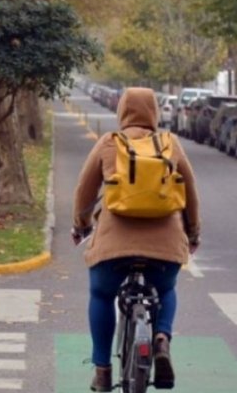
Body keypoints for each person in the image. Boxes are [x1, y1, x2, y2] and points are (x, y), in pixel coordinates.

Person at [71, 87, 200, 392]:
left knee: (102, 295)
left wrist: (81, 225)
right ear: (154, 112)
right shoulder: (171, 145)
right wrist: (192, 232)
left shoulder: (109, 143)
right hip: (165, 245)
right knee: (166, 289)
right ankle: (161, 338)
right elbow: (190, 193)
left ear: (122, 112)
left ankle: (102, 370)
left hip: (113, 246)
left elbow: (84, 193)